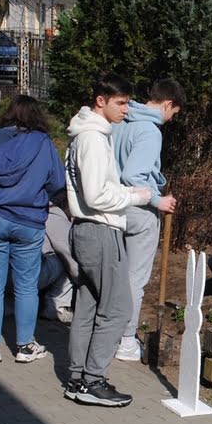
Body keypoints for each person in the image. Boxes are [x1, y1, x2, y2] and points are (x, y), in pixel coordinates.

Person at [65, 75, 152, 406]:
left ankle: (78, 378)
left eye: (128, 102)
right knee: (118, 308)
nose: (126, 109)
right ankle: (93, 381)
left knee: (88, 307)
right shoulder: (92, 138)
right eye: (121, 102)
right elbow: (96, 194)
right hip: (99, 230)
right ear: (100, 101)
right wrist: (134, 196)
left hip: (90, 229)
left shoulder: (91, 134)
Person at [0, 95, 65, 365]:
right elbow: (57, 182)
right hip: (29, 221)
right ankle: (26, 345)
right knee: (27, 286)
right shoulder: (43, 143)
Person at [113, 78, 184, 361]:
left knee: (114, 274)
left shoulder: (121, 119)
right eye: (173, 113)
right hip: (138, 211)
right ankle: (126, 340)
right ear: (168, 104)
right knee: (135, 278)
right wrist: (158, 200)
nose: (171, 119)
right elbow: (133, 175)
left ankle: (107, 331)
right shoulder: (150, 131)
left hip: (113, 206)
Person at [38, 202, 78, 324]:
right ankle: (58, 307)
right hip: (31, 274)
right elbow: (71, 259)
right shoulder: (54, 218)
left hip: (3, 273)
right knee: (65, 260)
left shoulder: (36, 210)